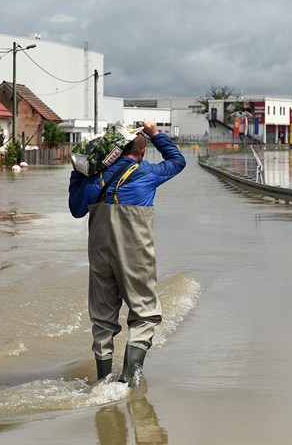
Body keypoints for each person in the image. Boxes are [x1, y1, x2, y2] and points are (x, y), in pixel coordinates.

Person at [68, 120, 186, 385]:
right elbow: (178, 160)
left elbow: (76, 210)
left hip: (100, 256)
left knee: (102, 319)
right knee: (144, 314)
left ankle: (102, 383)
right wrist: (155, 133)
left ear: (116, 151)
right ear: (142, 152)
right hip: (135, 256)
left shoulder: (92, 180)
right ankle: (129, 382)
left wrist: (77, 173)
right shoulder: (147, 173)